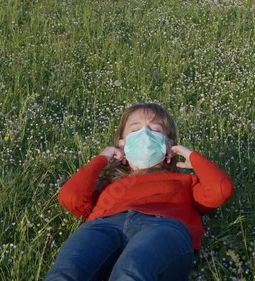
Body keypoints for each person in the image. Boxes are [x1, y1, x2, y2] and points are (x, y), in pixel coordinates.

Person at [45, 103, 234, 281]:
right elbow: (70, 198)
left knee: (132, 272)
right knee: (66, 274)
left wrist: (193, 158)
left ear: (168, 145)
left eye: (155, 130)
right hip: (103, 227)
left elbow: (221, 189)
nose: (145, 135)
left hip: (161, 227)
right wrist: (102, 159)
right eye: (135, 130)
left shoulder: (184, 182)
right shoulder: (108, 183)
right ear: (122, 145)